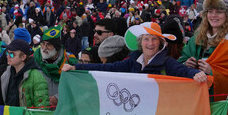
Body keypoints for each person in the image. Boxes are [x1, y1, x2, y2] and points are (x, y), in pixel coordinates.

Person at [62, 22, 208, 82]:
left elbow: (182, 71)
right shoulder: (133, 61)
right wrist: (76, 67)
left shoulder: (167, 63)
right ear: (140, 42)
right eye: (146, 39)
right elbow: (107, 68)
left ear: (160, 43)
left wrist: (197, 74)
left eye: (154, 39)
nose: (150, 44)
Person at [0, 38, 50, 109]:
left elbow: (42, 109)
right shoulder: (6, 74)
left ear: (23, 57)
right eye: (7, 53)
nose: (8, 56)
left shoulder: (36, 77)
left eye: (12, 54)